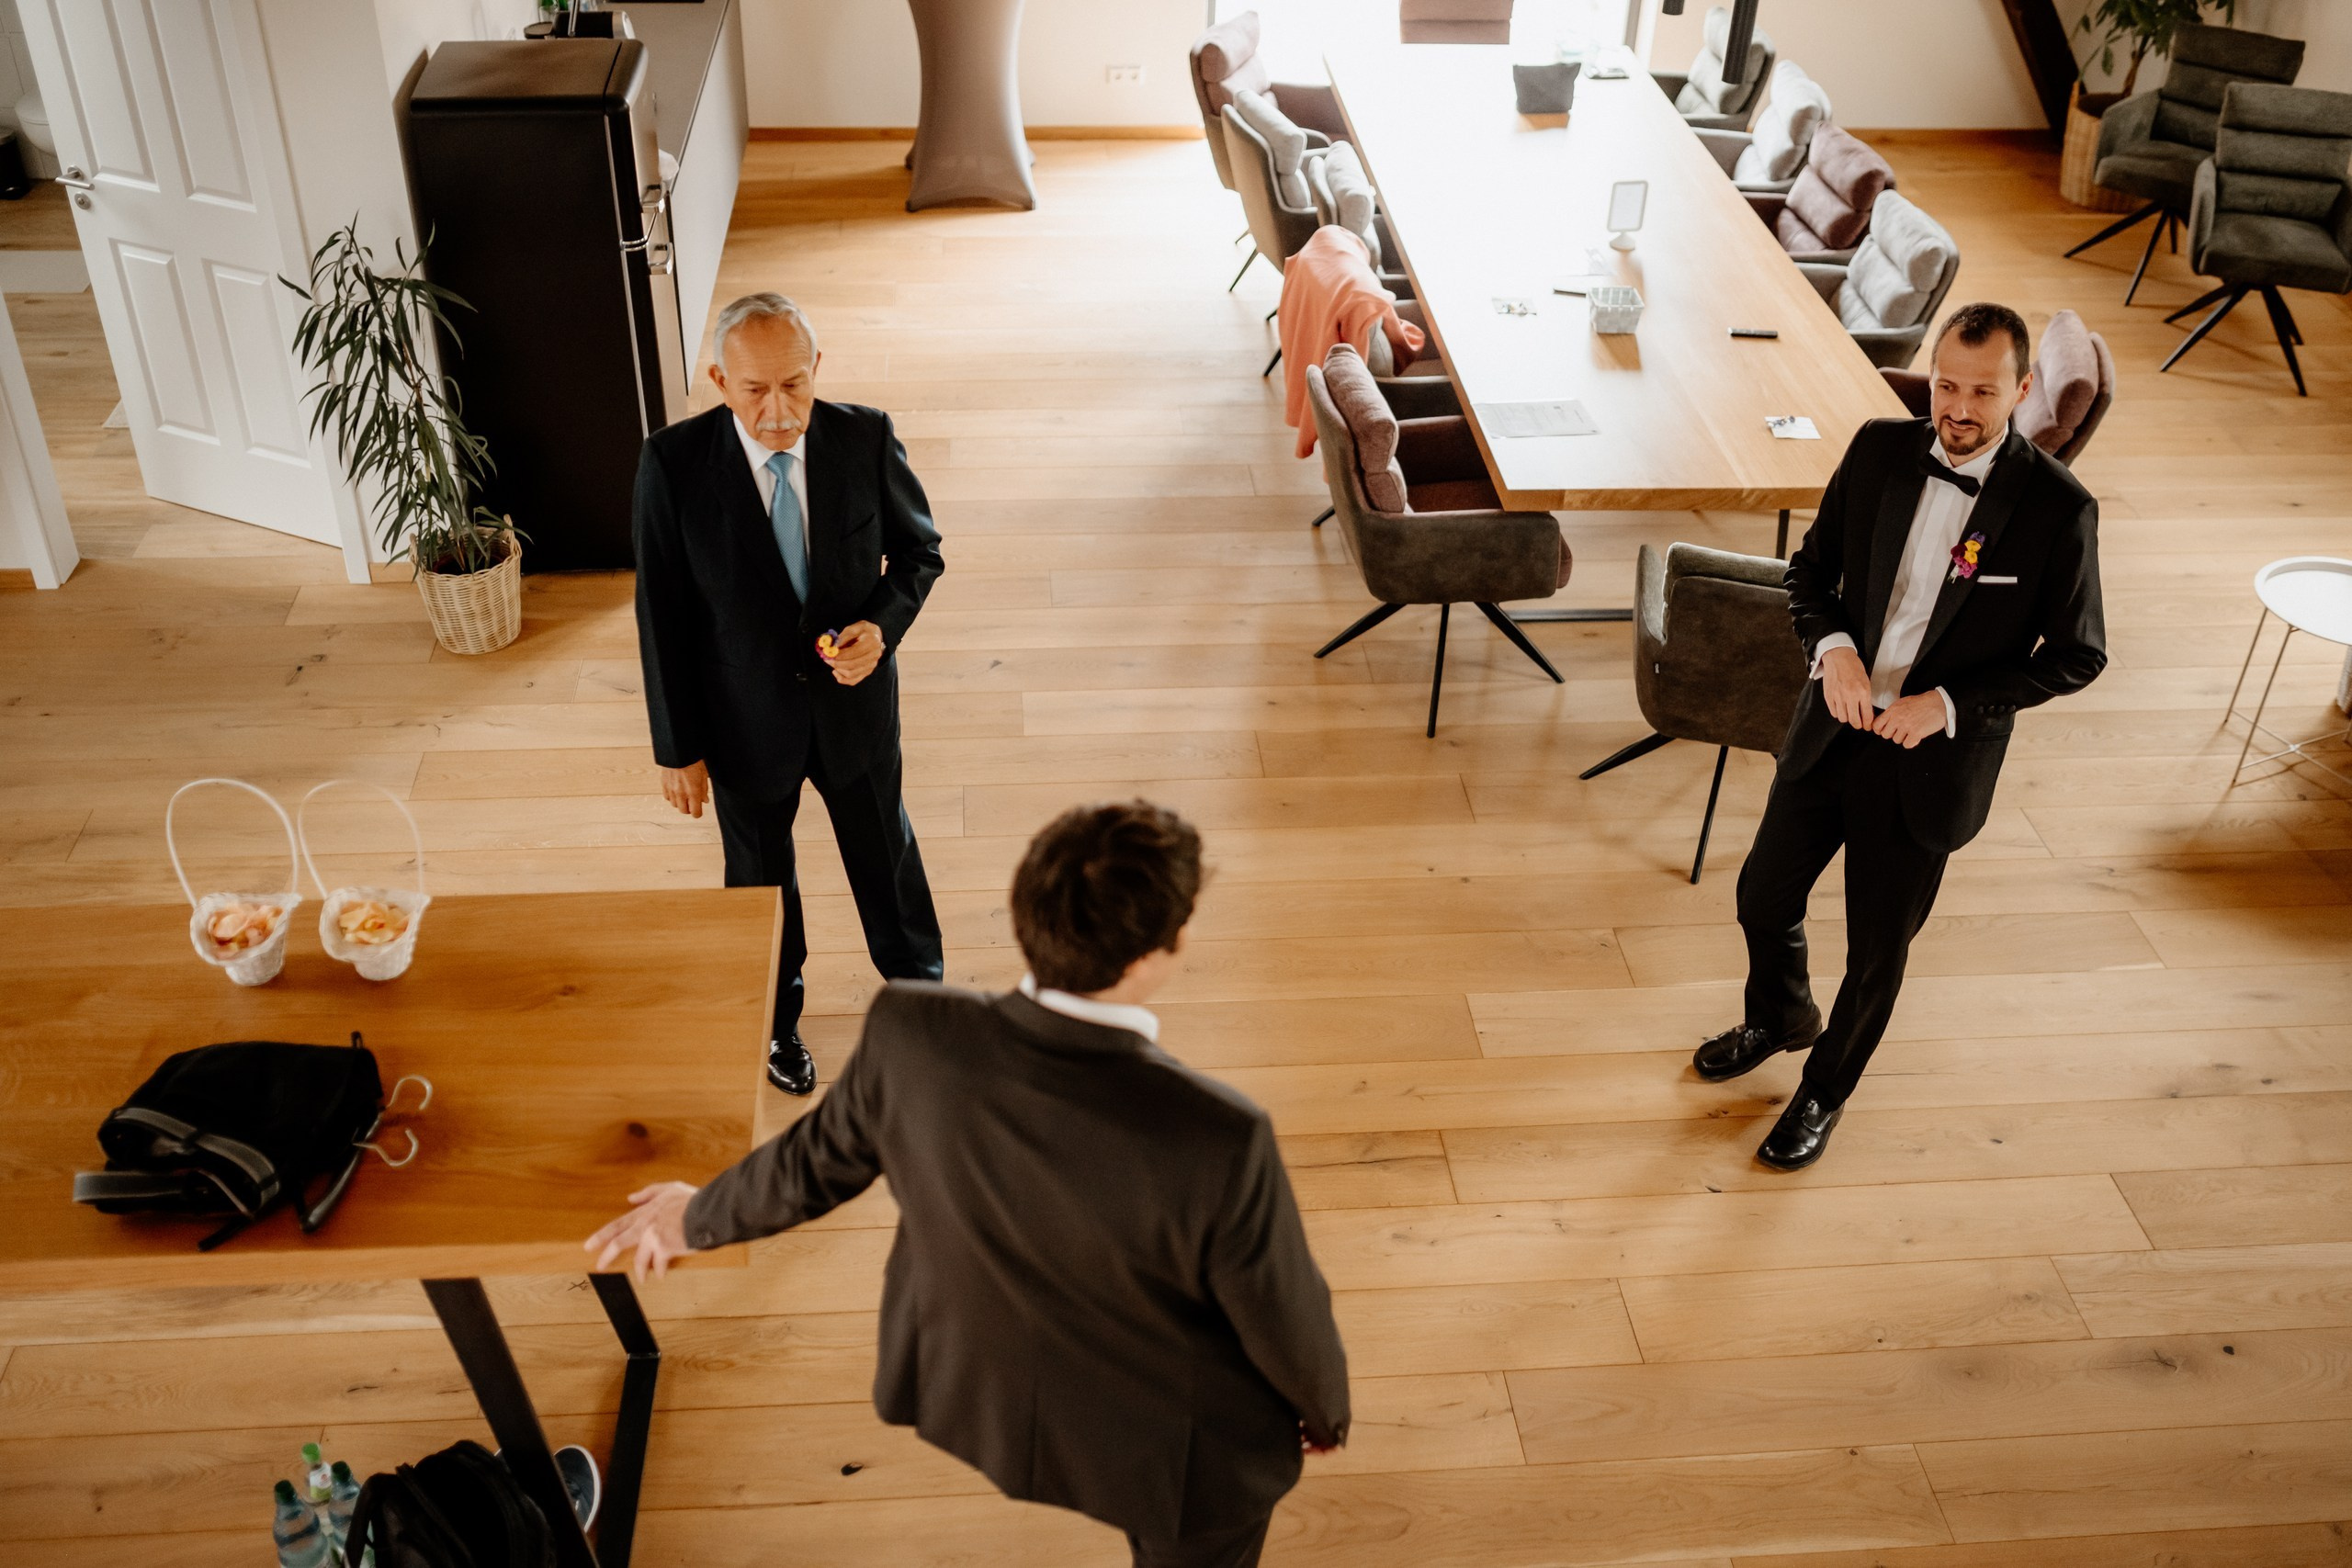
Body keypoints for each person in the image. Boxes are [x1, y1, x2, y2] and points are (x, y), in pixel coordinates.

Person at [585, 801, 1351, 1568]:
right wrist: (1326, 1412)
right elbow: (1282, 1312)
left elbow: (811, 1162)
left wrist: (696, 1217)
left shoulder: (911, 1032)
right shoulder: (1220, 1136)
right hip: (1170, 1460)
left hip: (976, 1387)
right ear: (1152, 955)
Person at [1695, 302, 2107, 1170]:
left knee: (1877, 952)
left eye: (1982, 392)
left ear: (2023, 389)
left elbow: (2078, 655)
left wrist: (1949, 703)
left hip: (1930, 764)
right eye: (1946, 384)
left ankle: (1823, 1090)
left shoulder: (2059, 510)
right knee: (1762, 896)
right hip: (1832, 728)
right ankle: (1780, 1014)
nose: (1957, 407)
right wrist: (1834, 650)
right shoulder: (1880, 448)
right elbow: (1811, 573)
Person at [633, 292, 946, 1097]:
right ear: (718, 380)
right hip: (742, 727)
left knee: (888, 859)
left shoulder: (866, 438)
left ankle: (922, 1004)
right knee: (761, 883)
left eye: (795, 386)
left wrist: (883, 625)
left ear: (818, 371)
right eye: (754, 390)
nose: (778, 412)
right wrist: (678, 748)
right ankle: (776, 1025)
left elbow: (919, 555)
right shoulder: (670, 466)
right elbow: (661, 615)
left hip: (855, 714)